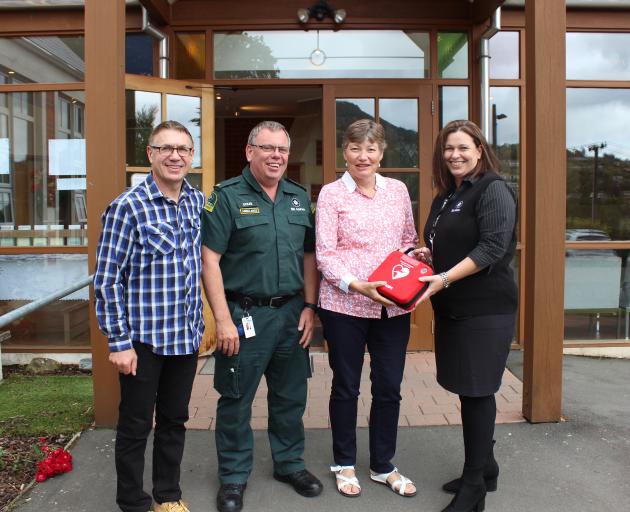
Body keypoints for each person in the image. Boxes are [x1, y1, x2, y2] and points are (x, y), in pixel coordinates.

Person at [201, 121, 323, 512]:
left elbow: (308, 255)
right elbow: (209, 259)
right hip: (244, 315)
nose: (276, 156)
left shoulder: (297, 197)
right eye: (267, 148)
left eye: (282, 150)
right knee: (236, 398)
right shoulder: (226, 197)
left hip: (291, 314)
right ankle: (234, 476)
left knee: (290, 397)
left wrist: (310, 305)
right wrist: (222, 319)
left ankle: (289, 464)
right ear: (249, 152)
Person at [94, 121, 205, 512]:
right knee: (136, 426)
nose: (175, 156)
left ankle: (168, 495)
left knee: (175, 420)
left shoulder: (195, 200)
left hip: (185, 338)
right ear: (150, 154)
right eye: (167, 148)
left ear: (192, 157)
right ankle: (132, 501)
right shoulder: (127, 207)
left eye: (184, 149)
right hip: (142, 342)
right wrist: (118, 343)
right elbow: (107, 282)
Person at [414, 119, 518, 512]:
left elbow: (492, 247)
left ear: (479, 149)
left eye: (462, 147)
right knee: (466, 389)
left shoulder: (493, 190)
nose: (454, 155)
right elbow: (451, 243)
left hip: (485, 309)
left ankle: (474, 486)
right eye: (447, 149)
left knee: (477, 393)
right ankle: (485, 466)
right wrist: (431, 256)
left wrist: (442, 277)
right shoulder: (446, 196)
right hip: (454, 308)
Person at [315, 119, 419, 499]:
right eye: (356, 148)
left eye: (371, 149)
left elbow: (407, 240)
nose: (364, 156)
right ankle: (344, 462)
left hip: (392, 307)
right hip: (344, 305)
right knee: (346, 386)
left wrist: (415, 257)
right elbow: (325, 254)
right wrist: (357, 285)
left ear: (382, 152)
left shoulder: (398, 191)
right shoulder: (331, 195)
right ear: (345, 151)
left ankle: (382, 465)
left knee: (389, 387)